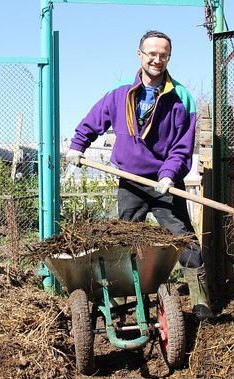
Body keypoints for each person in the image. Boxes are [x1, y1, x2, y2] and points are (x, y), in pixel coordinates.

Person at [65, 30, 213, 320]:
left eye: (163, 55)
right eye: (152, 54)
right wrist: (77, 146)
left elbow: (182, 147)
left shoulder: (181, 97)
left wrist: (169, 175)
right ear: (140, 55)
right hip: (130, 182)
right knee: (121, 244)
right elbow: (94, 121)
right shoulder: (120, 91)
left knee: (186, 242)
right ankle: (120, 302)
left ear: (169, 57)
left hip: (164, 184)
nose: (157, 60)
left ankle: (201, 302)